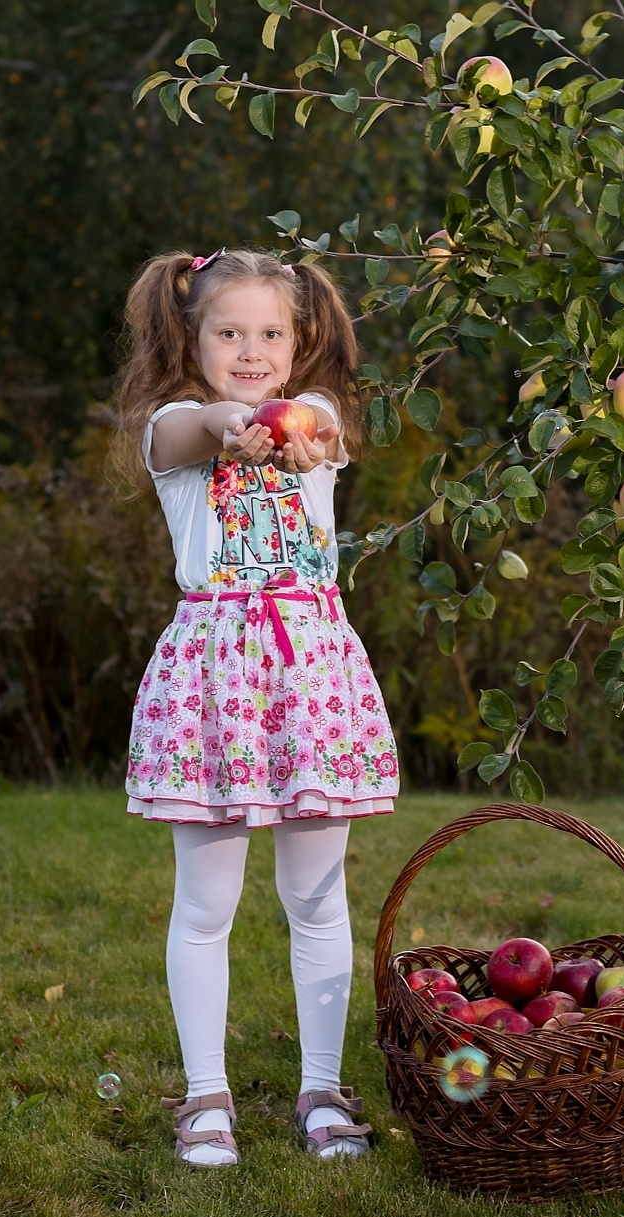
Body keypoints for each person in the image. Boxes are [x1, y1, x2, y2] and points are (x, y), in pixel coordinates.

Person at [113, 248, 399, 1168]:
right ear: (189, 338)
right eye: (228, 331)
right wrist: (228, 419)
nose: (250, 348)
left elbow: (312, 425)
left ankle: (322, 1089)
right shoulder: (171, 429)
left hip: (308, 678)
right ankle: (206, 1097)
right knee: (205, 903)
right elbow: (199, 428)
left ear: (301, 338)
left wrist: (287, 424)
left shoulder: (319, 420)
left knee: (316, 897)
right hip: (213, 682)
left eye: (270, 332)